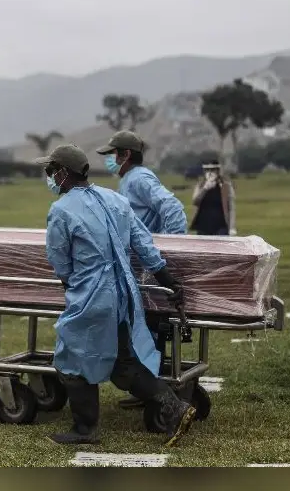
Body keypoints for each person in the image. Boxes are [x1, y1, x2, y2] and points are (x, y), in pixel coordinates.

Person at [34, 144, 197, 446]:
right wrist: (168, 280)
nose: (49, 177)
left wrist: (73, 287)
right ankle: (175, 408)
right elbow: (144, 245)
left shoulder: (61, 210)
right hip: (124, 294)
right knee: (124, 364)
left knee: (71, 358)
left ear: (63, 173)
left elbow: (59, 260)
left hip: (90, 296)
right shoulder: (116, 199)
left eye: (50, 171)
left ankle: (84, 429)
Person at [96, 130, 187, 410]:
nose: (109, 160)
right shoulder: (129, 180)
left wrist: (174, 247)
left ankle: (153, 388)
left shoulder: (138, 178)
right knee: (146, 328)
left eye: (112, 154)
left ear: (124, 155)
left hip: (149, 263)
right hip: (142, 263)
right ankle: (148, 386)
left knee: (147, 328)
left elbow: (173, 208)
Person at [189, 161, 236, 236]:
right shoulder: (200, 185)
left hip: (221, 226)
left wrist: (232, 227)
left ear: (218, 171)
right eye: (208, 170)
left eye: (213, 170)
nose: (210, 172)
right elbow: (195, 201)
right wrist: (205, 189)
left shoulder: (226, 186)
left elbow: (231, 208)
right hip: (203, 226)